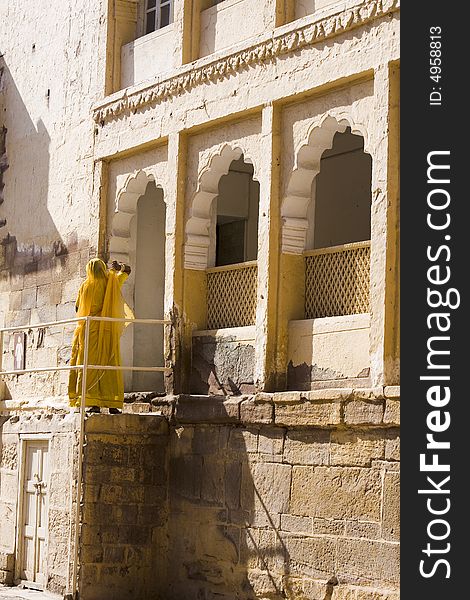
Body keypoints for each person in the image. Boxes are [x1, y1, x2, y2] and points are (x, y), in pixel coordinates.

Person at [68, 258, 133, 414]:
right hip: (107, 330)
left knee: (89, 366)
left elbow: (77, 307)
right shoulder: (111, 281)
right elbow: (127, 271)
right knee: (109, 365)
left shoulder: (85, 285)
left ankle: (92, 402)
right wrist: (119, 267)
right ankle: (112, 403)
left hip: (88, 330)